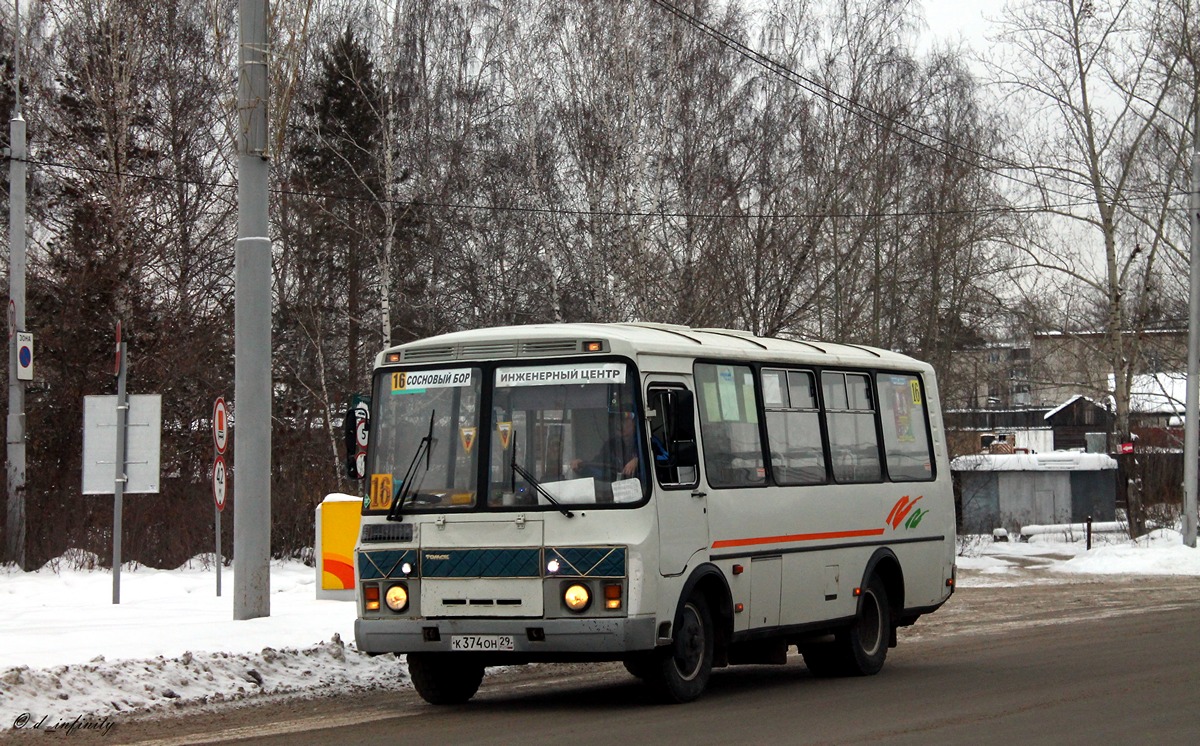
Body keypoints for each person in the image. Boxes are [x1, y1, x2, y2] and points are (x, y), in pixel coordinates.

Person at [571, 412, 640, 481]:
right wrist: (582, 467)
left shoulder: (642, 442)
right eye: (618, 421)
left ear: (634, 423)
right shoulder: (611, 445)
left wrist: (637, 461)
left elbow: (648, 462)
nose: (619, 424)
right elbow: (599, 466)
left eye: (624, 420)